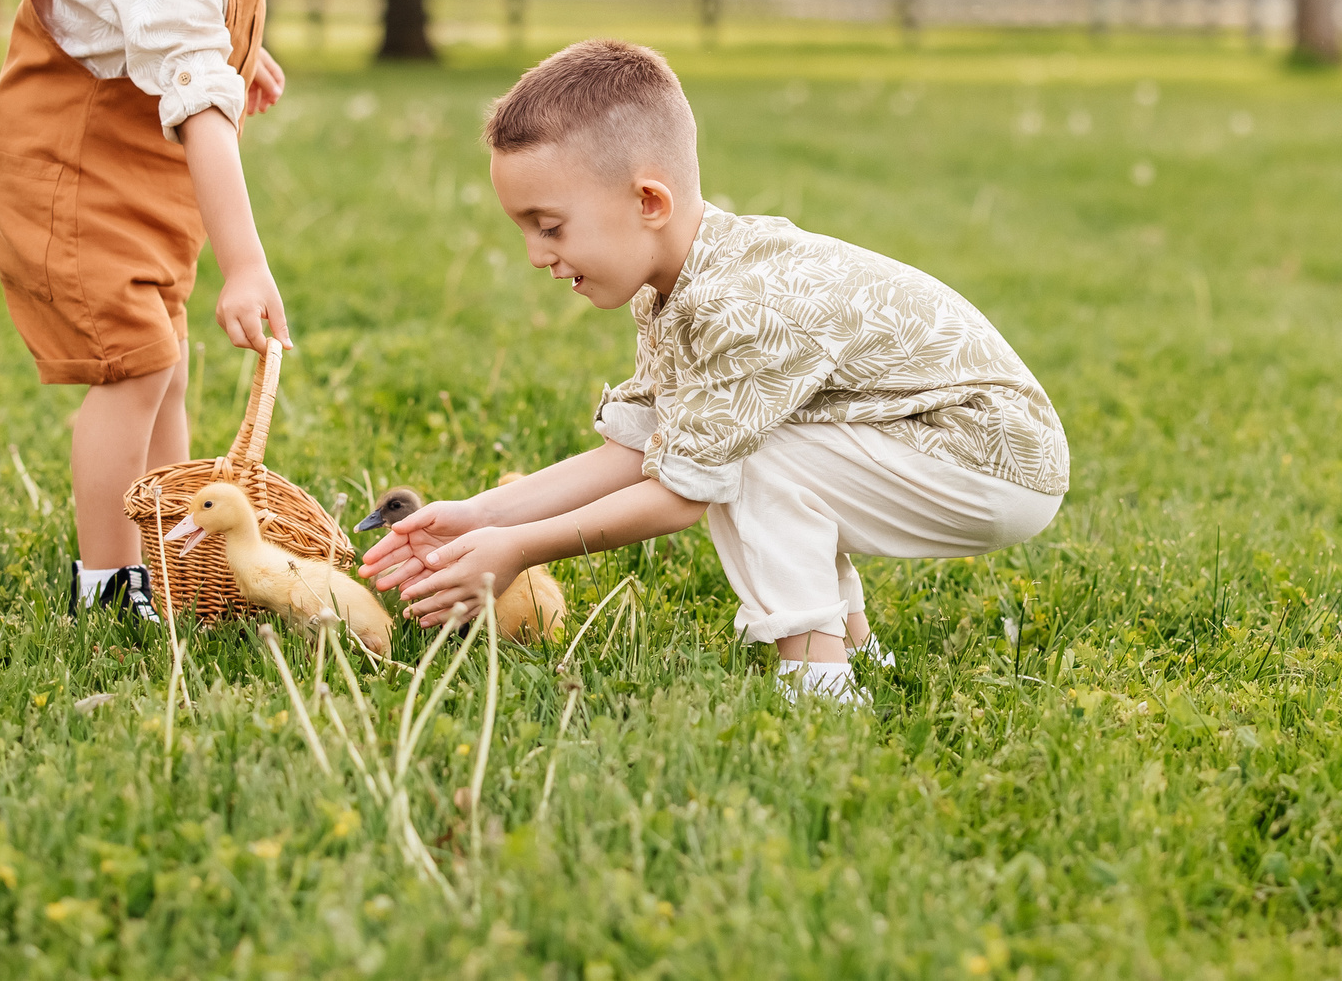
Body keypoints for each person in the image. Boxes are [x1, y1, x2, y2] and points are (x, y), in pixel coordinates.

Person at [359, 39, 1070, 701]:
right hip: (937, 440)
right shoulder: (678, 280)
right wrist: (480, 515)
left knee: (742, 458)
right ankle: (859, 651)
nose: (536, 254)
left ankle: (820, 683)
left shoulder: (739, 308)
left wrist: (517, 547)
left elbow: (680, 492)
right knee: (738, 444)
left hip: (989, 456)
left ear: (648, 202)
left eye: (550, 225)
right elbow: (639, 447)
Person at [0, 0, 394, 622]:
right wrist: (244, 265)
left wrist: (243, 53)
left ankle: (177, 551)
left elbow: (183, 39)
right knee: (135, 370)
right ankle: (108, 583)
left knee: (165, 358)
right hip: (74, 181)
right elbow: (195, 98)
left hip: (137, 172)